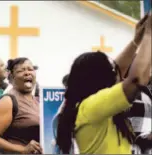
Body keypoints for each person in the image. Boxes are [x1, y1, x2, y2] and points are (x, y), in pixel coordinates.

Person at [56, 14, 151, 154]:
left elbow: (117, 68)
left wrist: (137, 40)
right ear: (100, 79)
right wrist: (149, 35)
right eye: (110, 70)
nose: (116, 72)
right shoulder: (92, 107)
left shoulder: (86, 106)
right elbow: (136, 80)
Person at [0, 57, 42, 154]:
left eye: (30, 69)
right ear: (11, 77)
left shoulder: (38, 101)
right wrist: (23, 150)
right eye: (21, 70)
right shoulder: (8, 101)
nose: (27, 73)